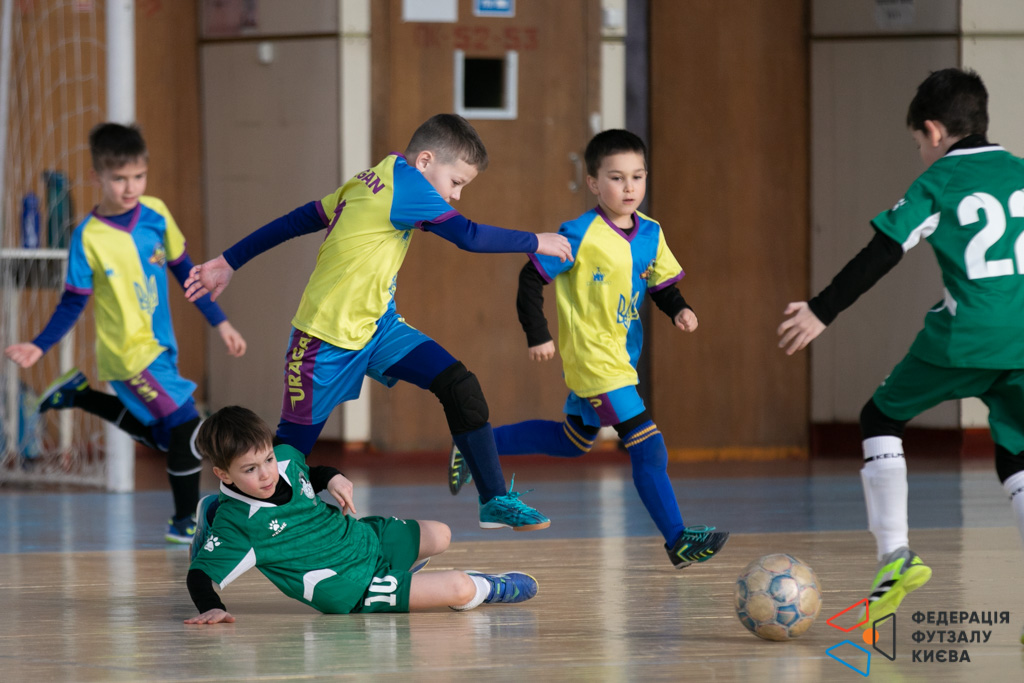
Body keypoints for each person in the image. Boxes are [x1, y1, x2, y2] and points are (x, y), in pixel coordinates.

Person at [184, 114, 573, 531]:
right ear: (425, 161)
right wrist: (537, 240)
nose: (456, 195)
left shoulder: (374, 178)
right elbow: (470, 236)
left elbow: (300, 218)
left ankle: (494, 500)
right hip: (324, 339)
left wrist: (229, 261)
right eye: (456, 182)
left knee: (460, 386)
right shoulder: (407, 188)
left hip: (378, 327)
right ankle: (218, 510)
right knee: (287, 461)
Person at [778, 68, 1024, 631]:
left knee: (881, 417)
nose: (921, 154)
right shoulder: (1020, 171)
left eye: (918, 144)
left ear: (933, 131)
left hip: (965, 338)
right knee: (1017, 454)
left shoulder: (939, 181)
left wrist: (822, 309)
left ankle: (895, 555)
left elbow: (883, 252)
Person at [449, 129, 730, 569]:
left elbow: (660, 284)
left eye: (637, 176)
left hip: (621, 358)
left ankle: (477, 446)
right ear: (594, 183)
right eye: (617, 178)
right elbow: (530, 279)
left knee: (572, 441)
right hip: (595, 361)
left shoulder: (651, 233)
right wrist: (538, 333)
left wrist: (680, 309)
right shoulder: (579, 234)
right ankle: (677, 540)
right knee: (649, 446)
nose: (629, 187)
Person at [4, 122, 247, 543]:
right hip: (128, 353)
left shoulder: (156, 214)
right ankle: (184, 523)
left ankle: (78, 394)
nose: (130, 187)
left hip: (160, 347)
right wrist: (39, 345)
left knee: (167, 437)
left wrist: (220, 321)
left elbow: (186, 274)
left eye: (139, 176)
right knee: (187, 425)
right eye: (119, 178)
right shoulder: (88, 237)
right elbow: (72, 302)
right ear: (97, 176)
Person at [184, 405, 539, 622]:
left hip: (362, 538)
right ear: (223, 474)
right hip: (352, 587)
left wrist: (333, 478)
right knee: (460, 587)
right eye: (250, 469)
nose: (266, 474)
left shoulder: (286, 458)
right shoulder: (240, 526)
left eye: (268, 459)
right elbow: (199, 575)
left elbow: (310, 473)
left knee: (441, 534)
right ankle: (485, 587)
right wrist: (210, 607)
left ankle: (409, 578)